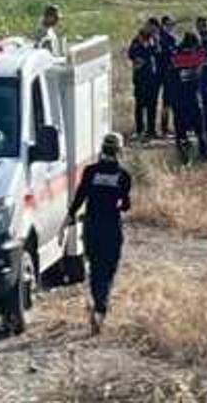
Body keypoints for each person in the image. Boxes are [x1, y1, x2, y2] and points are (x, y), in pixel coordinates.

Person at [67, 132, 132, 334]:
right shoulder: (123, 175)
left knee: (95, 267)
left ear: (102, 149)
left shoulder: (90, 171)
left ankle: (98, 303)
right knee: (109, 267)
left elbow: (80, 196)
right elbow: (126, 205)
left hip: (92, 225)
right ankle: (102, 306)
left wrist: (70, 215)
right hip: (111, 226)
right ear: (119, 151)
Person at [170, 32, 207, 155]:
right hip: (193, 98)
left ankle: (182, 153)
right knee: (200, 129)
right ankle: (203, 153)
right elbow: (205, 53)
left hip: (178, 98)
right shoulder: (197, 57)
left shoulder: (175, 57)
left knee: (180, 129)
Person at [127, 21, 162, 139]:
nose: (152, 31)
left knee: (152, 105)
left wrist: (155, 42)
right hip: (141, 78)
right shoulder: (138, 39)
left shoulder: (154, 40)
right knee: (140, 105)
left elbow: (157, 53)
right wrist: (144, 49)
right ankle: (139, 129)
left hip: (153, 78)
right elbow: (131, 53)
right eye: (151, 28)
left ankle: (151, 130)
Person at [157, 15, 178, 137]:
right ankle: (163, 127)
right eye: (169, 25)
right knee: (166, 102)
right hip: (165, 73)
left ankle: (164, 127)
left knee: (167, 102)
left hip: (165, 73)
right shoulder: (163, 39)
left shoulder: (166, 38)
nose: (171, 27)